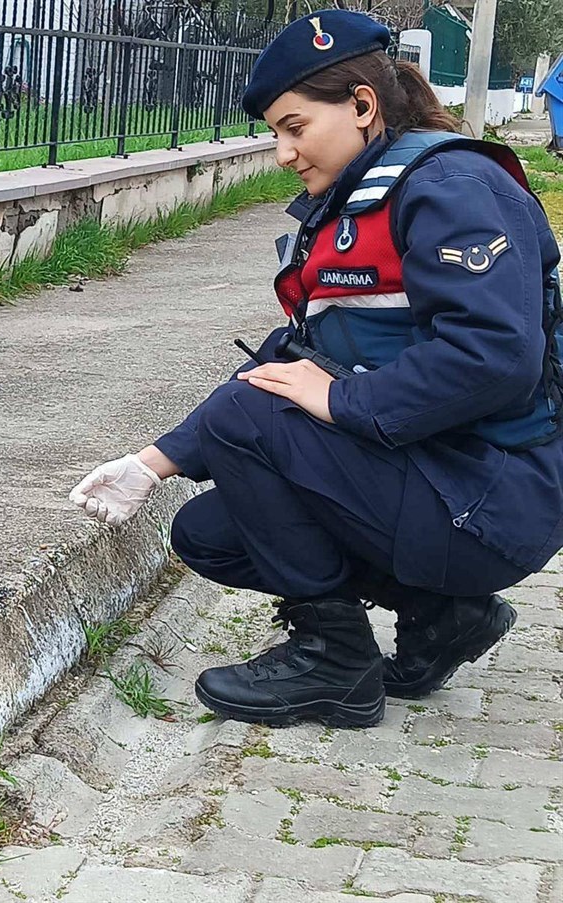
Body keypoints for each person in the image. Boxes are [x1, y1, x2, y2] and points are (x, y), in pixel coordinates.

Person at [69, 9, 563, 728]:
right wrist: (154, 463)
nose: (281, 152)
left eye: (294, 127)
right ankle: (442, 612)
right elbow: (287, 362)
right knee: (209, 531)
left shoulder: (451, 186)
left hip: (496, 494)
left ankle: (334, 664)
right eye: (276, 132)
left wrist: (346, 401)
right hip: (441, 477)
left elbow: (496, 356)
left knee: (251, 421)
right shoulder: (355, 208)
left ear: (362, 107)